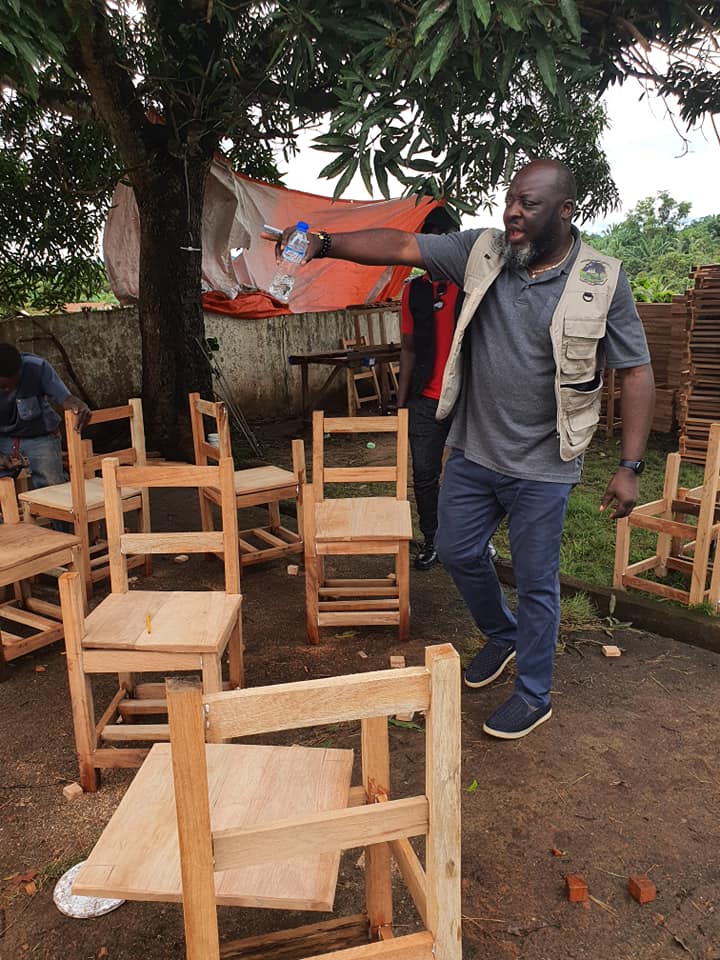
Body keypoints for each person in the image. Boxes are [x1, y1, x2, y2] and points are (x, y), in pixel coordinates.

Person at [264, 158, 655, 740]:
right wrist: (322, 242)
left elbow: (636, 371)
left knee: (536, 580)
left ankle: (533, 693)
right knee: (455, 550)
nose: (513, 212)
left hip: (545, 465)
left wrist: (629, 466)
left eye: (529, 204)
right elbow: (400, 244)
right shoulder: (484, 251)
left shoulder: (601, 278)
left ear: (566, 211)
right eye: (510, 199)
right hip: (474, 451)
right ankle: (503, 634)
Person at [0, 343, 90, 489]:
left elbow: (65, 398)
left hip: (41, 437)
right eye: (3, 387)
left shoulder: (37, 367)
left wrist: (76, 405)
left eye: (15, 384)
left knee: (52, 491)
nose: (10, 390)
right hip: (3, 439)